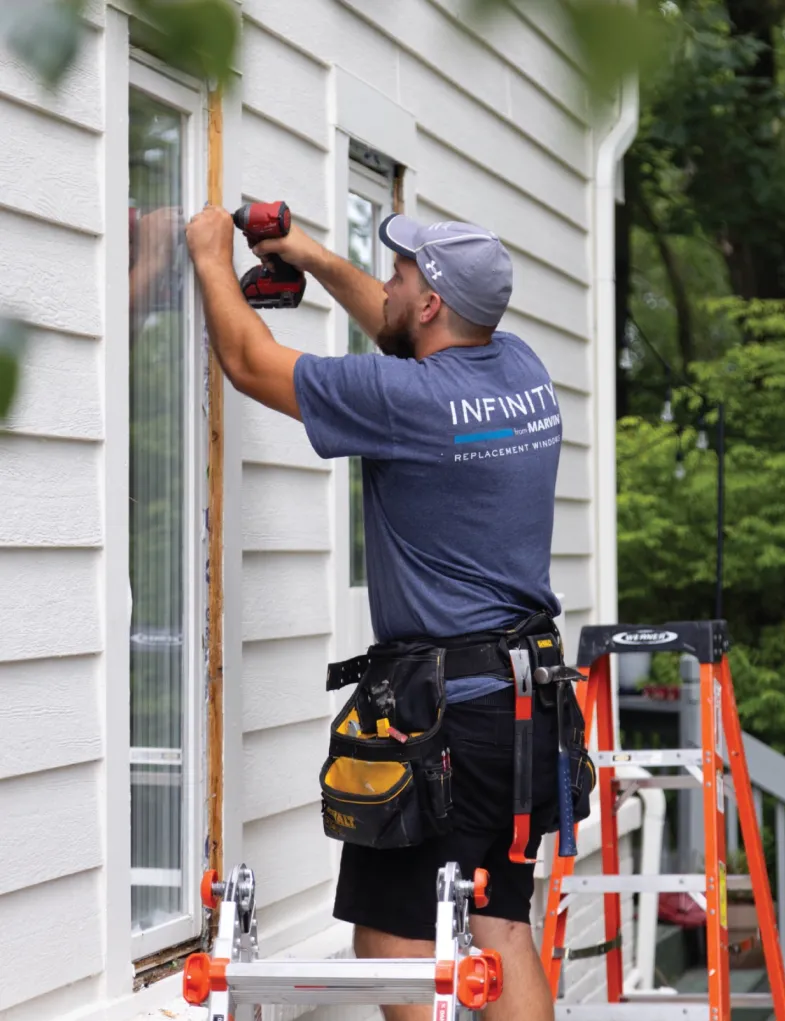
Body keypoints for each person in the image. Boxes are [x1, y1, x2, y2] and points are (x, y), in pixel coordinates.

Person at [185, 204, 571, 1021]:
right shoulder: (522, 370)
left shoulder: (407, 401)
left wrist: (210, 254)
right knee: (499, 926)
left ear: (432, 304)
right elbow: (399, 324)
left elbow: (252, 361)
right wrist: (314, 258)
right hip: (526, 707)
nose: (388, 284)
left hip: (452, 723)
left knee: (395, 948)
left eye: (401, 274)